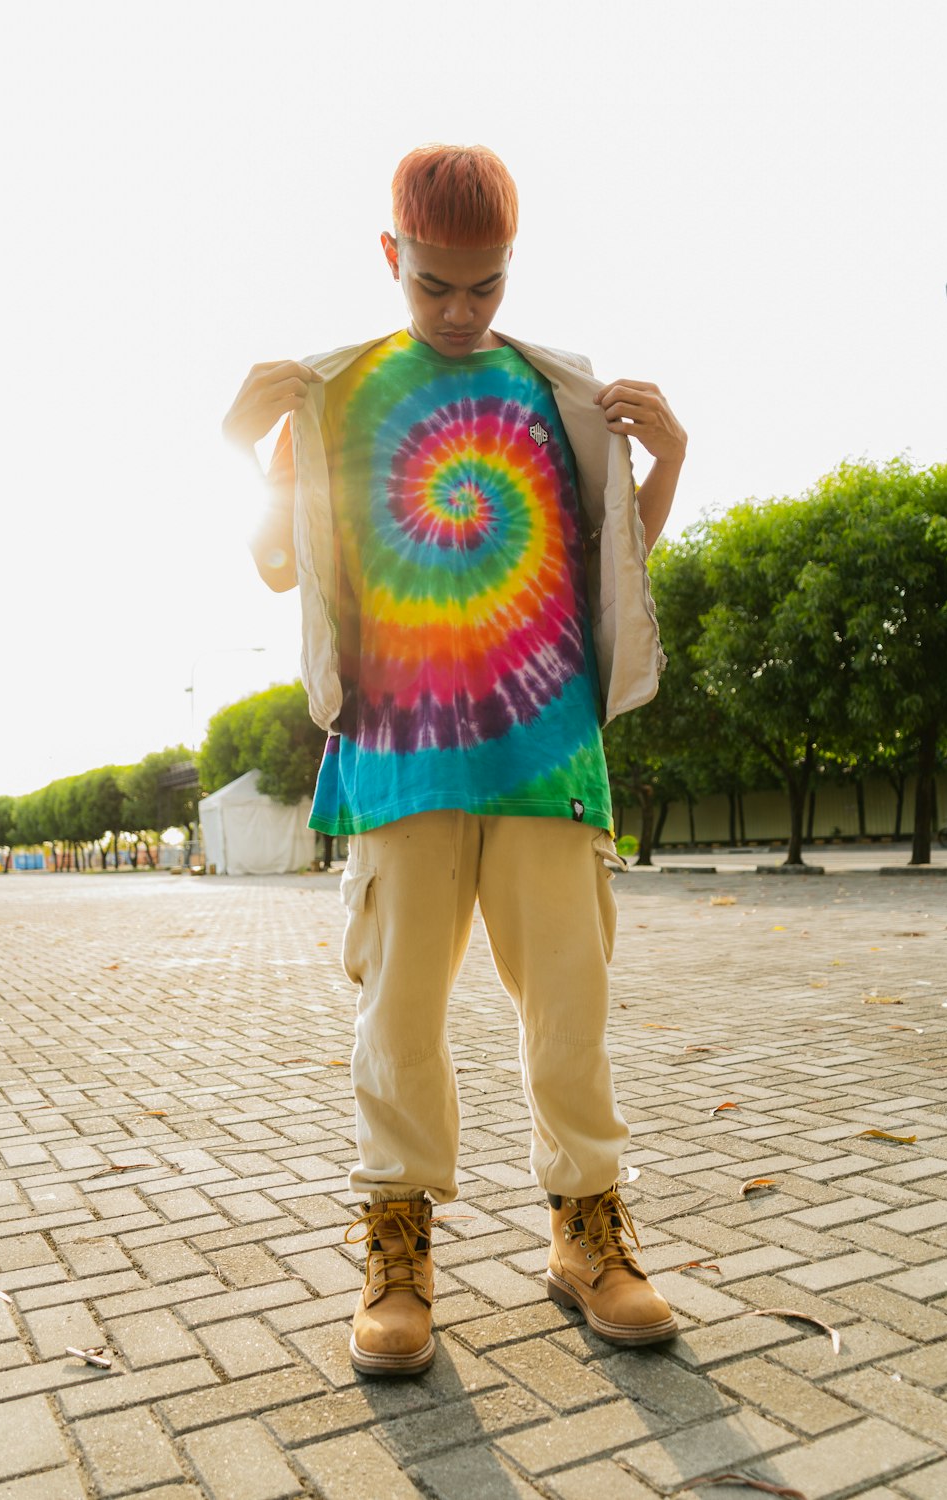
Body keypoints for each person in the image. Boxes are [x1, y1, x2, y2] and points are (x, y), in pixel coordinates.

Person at [223, 143, 688, 1377]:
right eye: (435, 284)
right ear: (391, 256)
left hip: (548, 754)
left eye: (484, 286)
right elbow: (280, 566)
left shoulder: (552, 395)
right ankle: (397, 1245)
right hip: (396, 755)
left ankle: (588, 1232)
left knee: (570, 1021)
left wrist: (671, 460)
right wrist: (242, 445)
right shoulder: (341, 394)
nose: (461, 309)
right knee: (398, 1024)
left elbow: (608, 571)